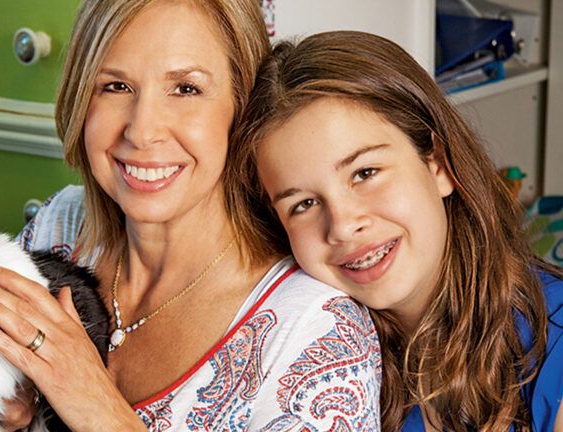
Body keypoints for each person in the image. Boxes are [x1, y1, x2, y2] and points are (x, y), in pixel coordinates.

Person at [0, 2, 382, 431]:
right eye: (115, 86)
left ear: (243, 109)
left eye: (186, 88)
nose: (142, 129)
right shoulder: (59, 225)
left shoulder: (316, 335)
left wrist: (95, 404)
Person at [232, 30, 563, 431]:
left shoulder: (553, 343)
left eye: (365, 173)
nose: (343, 225)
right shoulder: (321, 356)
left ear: (439, 165)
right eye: (302, 204)